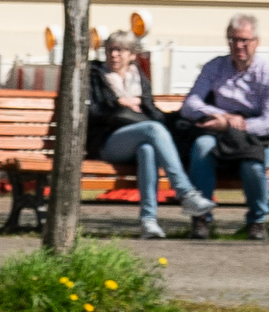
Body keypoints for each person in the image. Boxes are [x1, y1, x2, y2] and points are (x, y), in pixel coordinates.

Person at [86, 31, 213, 241]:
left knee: (148, 150)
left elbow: (152, 111)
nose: (114, 55)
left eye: (120, 50)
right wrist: (118, 104)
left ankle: (149, 222)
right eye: (110, 50)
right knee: (153, 130)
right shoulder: (95, 74)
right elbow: (91, 113)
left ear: (132, 55)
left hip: (138, 140)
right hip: (106, 141)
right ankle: (186, 193)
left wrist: (173, 118)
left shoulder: (139, 77)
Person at [178, 12, 269, 241]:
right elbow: (190, 104)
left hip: (255, 136)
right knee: (201, 147)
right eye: (233, 39)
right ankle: (201, 218)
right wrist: (225, 118)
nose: (239, 46)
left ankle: (257, 222)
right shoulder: (214, 67)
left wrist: (240, 125)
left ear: (256, 42)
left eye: (244, 40)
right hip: (220, 131)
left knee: (252, 165)